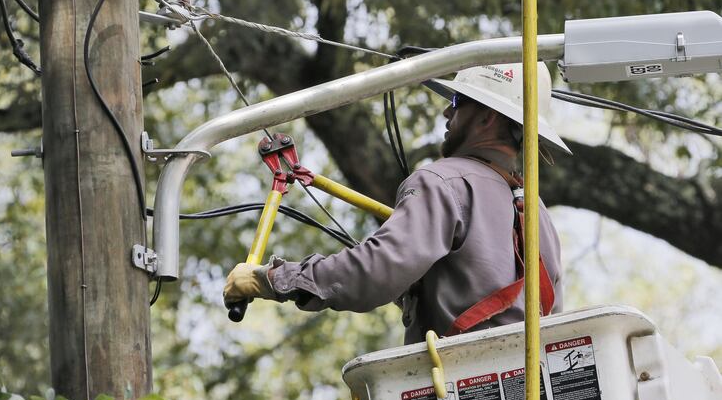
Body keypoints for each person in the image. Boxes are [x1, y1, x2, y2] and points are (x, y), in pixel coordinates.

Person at [223, 62, 571, 345]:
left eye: (455, 103)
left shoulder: (443, 182)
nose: (446, 117)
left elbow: (373, 272)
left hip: (460, 398)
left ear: (486, 118)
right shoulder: (537, 214)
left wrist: (272, 278)